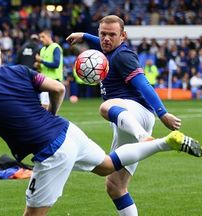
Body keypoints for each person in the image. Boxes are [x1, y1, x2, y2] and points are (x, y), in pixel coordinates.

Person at [0, 35, 202, 216]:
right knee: (108, 166)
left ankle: (165, 143)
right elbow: (58, 88)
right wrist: (52, 114)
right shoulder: (20, 70)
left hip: (51, 152)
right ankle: (165, 142)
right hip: (68, 130)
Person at [66, 15, 193, 216]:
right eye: (102, 34)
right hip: (126, 118)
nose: (106, 39)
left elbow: (143, 83)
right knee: (115, 185)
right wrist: (83, 35)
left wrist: (163, 113)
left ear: (123, 36)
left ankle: (145, 138)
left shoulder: (123, 56)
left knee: (105, 107)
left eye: (112, 35)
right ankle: (147, 139)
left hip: (136, 113)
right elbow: (99, 41)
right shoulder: (107, 49)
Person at [35, 29, 63, 109]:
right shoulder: (42, 49)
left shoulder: (55, 47)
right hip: (44, 81)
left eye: (43, 37)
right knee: (45, 106)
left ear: (49, 37)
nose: (41, 39)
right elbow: (43, 67)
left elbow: (56, 64)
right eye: (40, 37)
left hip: (54, 81)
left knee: (49, 107)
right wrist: (38, 65)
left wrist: (42, 61)